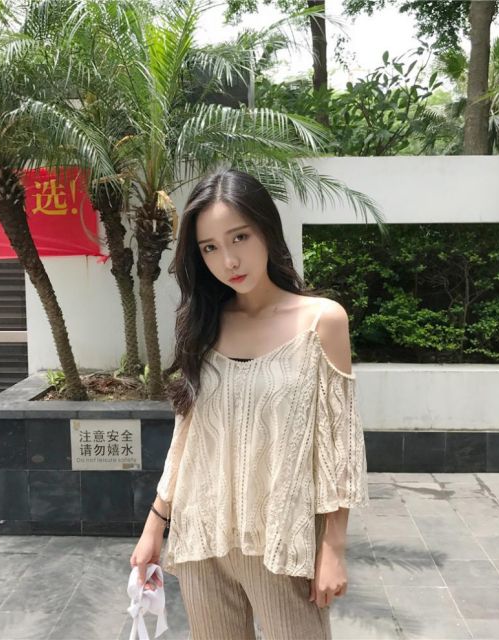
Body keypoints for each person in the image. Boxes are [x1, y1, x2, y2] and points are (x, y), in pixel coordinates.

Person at [129, 168, 370, 640]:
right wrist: (155, 525)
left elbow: (338, 447)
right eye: (209, 247)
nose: (229, 260)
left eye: (239, 236)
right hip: (202, 539)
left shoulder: (322, 322)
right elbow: (187, 437)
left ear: (266, 230)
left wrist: (333, 548)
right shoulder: (203, 323)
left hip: (281, 541)